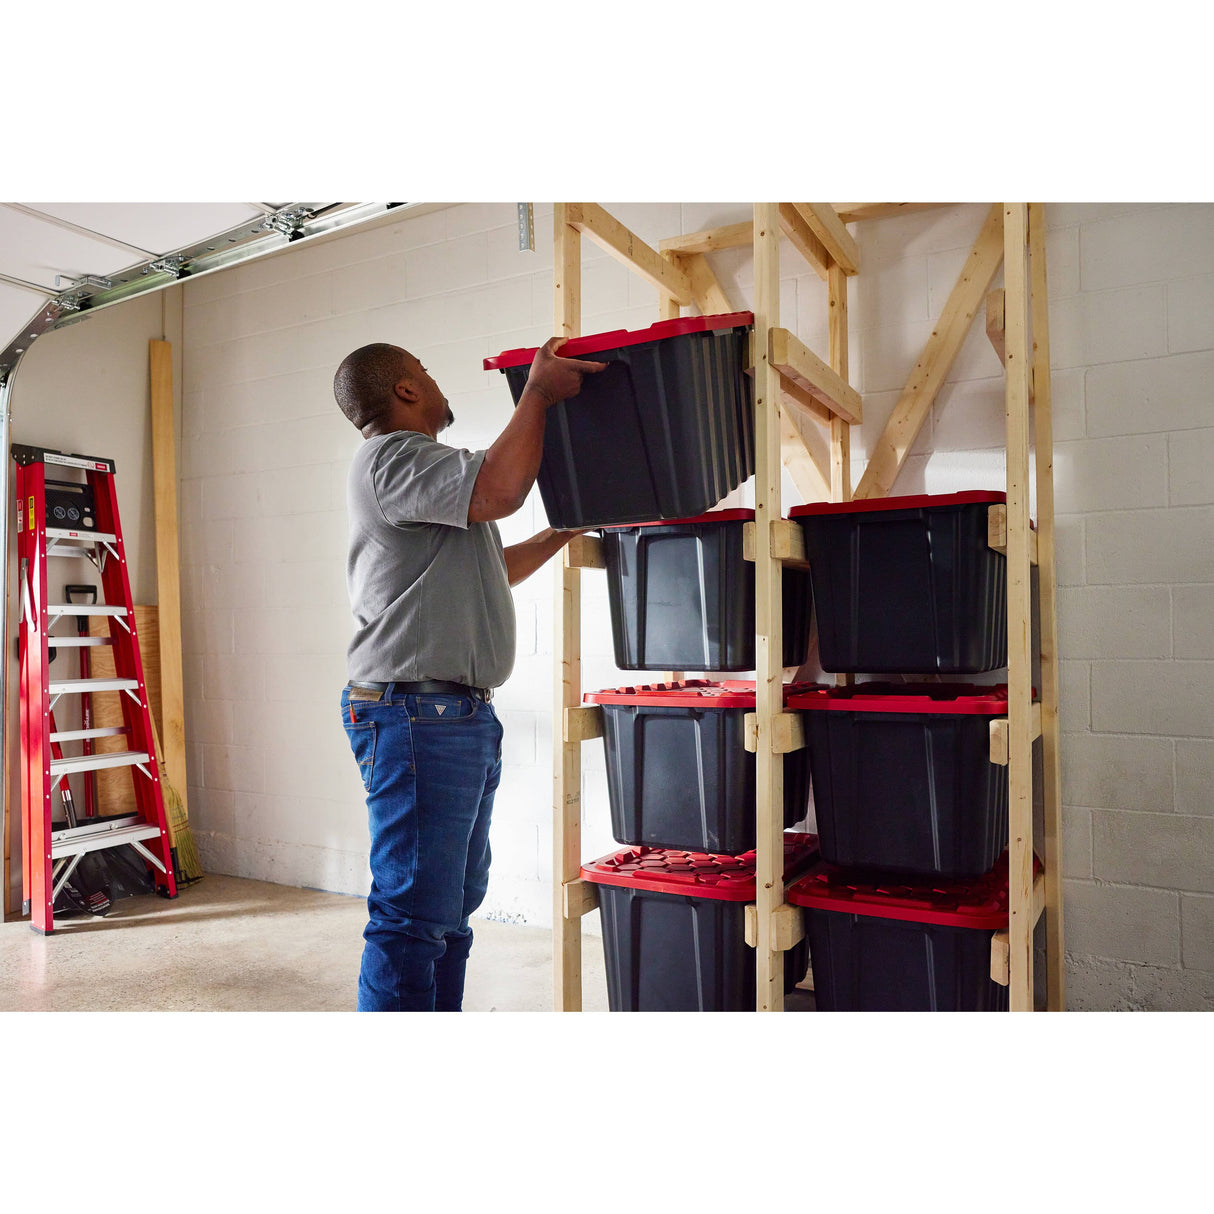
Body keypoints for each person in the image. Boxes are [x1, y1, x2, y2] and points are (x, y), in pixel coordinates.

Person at [333, 336, 606, 1011]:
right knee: (414, 916)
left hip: (447, 717)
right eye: (426, 367)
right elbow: (503, 488)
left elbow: (492, 567)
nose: (435, 379)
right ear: (404, 390)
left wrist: (562, 533)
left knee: (449, 911)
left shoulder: (427, 481)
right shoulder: (395, 458)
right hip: (416, 716)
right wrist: (537, 392)